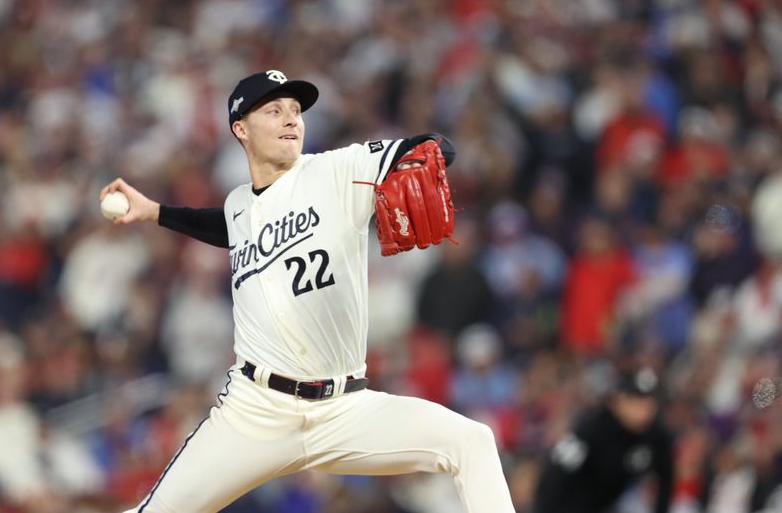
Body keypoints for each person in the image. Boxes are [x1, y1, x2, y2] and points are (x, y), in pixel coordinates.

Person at [102, 70, 515, 513]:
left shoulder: (337, 170)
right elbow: (226, 226)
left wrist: (419, 158)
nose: (291, 120)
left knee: (471, 441)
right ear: (241, 128)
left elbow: (432, 145)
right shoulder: (240, 204)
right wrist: (156, 212)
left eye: (296, 111)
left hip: (345, 410)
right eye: (274, 110)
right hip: (255, 412)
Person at [533, 366, 674, 513]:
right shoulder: (591, 431)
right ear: (617, 401)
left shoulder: (657, 436)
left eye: (649, 401)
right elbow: (553, 476)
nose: (643, 409)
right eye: (635, 399)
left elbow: (665, 482)